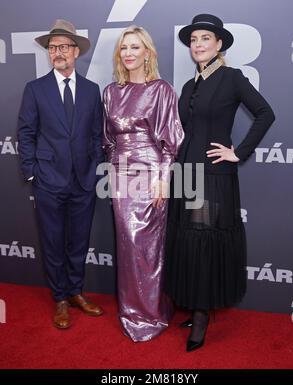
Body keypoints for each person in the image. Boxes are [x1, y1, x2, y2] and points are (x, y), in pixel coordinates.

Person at [164, 14, 275, 351]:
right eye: (194, 39)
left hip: (212, 176)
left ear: (219, 44)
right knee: (187, 241)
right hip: (186, 173)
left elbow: (265, 113)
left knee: (203, 243)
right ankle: (197, 305)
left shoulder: (232, 78)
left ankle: (201, 315)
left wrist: (238, 152)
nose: (198, 45)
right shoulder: (188, 85)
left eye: (205, 39)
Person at [17, 19, 104, 329]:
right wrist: (32, 172)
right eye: (53, 48)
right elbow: (26, 133)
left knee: (79, 241)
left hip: (84, 180)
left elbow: (97, 134)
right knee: (53, 242)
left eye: (64, 47)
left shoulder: (93, 90)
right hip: (48, 181)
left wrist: (95, 170)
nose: (58, 52)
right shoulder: (35, 89)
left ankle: (76, 292)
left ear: (76, 51)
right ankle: (61, 299)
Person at [102, 25, 184, 342]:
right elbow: (108, 141)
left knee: (148, 248)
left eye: (135, 47)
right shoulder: (111, 92)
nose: (129, 53)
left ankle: (151, 312)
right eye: (124, 48)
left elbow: (170, 142)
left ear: (147, 52)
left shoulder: (161, 90)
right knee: (127, 246)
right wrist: (113, 172)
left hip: (151, 174)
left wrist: (164, 179)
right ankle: (130, 310)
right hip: (121, 177)